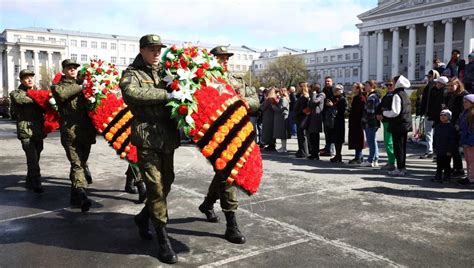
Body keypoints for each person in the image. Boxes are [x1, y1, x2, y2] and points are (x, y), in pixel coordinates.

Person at [120, 34, 180, 264]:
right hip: (146, 138)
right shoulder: (131, 73)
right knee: (155, 188)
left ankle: (143, 216)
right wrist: (166, 94)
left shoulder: (165, 71)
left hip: (167, 138)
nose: (157, 53)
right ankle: (163, 240)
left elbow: (178, 87)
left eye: (159, 49)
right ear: (142, 50)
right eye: (152, 49)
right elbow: (132, 94)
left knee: (168, 181)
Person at [197, 45, 258, 246]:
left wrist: (243, 101)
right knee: (227, 176)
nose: (225, 61)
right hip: (216, 136)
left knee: (224, 174)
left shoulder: (236, 79)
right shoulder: (204, 80)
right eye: (220, 58)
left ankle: (207, 204)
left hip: (239, 132)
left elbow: (255, 100)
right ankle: (231, 224)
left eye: (226, 58)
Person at [51, 59, 96, 212]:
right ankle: (83, 194)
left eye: (75, 68)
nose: (72, 70)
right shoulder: (57, 87)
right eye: (69, 68)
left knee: (81, 164)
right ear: (63, 70)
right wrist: (81, 87)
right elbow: (63, 95)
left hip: (86, 132)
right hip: (70, 132)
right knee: (77, 164)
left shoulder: (84, 85)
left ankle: (75, 197)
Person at [9, 69, 46, 193]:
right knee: (32, 156)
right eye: (26, 78)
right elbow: (21, 100)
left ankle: (30, 179)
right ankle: (36, 180)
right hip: (25, 129)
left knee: (37, 154)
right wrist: (39, 97)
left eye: (31, 77)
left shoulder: (38, 92)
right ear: (21, 80)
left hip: (38, 129)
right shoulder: (15, 93)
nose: (30, 80)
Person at [383, 75, 412, 176]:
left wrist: (385, 113)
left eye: (394, 82)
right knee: (402, 147)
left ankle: (399, 168)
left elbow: (395, 112)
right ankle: (402, 167)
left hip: (398, 125)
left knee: (398, 147)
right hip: (404, 124)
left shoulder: (396, 95)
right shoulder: (405, 94)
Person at [445, 78, 468, 178]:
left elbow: (463, 112)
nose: (450, 88)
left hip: (460, 125)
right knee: (453, 148)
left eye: (452, 86)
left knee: (457, 148)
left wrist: (459, 124)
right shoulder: (452, 95)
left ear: (458, 85)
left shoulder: (464, 95)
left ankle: (459, 169)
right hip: (452, 123)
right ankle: (456, 168)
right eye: (449, 86)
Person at [418, 70, 442, 159]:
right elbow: (424, 101)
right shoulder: (428, 87)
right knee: (428, 133)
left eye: (430, 76)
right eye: (428, 76)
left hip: (436, 114)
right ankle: (429, 151)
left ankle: (436, 151)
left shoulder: (438, 88)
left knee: (437, 133)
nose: (428, 78)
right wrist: (422, 112)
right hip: (428, 113)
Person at [376, 80, 396, 171]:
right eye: (387, 85)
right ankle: (390, 161)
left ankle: (392, 162)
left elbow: (392, 109)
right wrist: (379, 113)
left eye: (390, 85)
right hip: (385, 121)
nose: (388, 86)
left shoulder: (395, 95)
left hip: (391, 121)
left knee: (389, 142)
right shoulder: (386, 95)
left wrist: (382, 112)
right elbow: (380, 106)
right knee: (387, 142)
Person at [432, 109, 457, 183]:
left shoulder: (451, 128)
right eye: (441, 115)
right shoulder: (438, 127)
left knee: (446, 164)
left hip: (447, 150)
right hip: (439, 149)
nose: (442, 116)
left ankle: (447, 176)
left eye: (445, 115)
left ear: (449, 117)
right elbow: (435, 137)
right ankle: (438, 175)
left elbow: (452, 140)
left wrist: (450, 150)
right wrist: (434, 147)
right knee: (439, 163)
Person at [360, 80, 380, 167]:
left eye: (367, 85)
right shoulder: (375, 96)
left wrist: (365, 121)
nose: (365, 87)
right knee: (373, 141)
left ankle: (370, 160)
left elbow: (370, 112)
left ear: (372, 86)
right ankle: (375, 158)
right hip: (374, 122)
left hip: (370, 123)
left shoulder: (371, 97)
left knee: (371, 142)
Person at [327, 84, 347, 163]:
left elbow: (341, 111)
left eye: (337, 90)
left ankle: (338, 155)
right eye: (334, 90)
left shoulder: (342, 99)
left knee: (338, 138)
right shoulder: (335, 98)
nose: (335, 91)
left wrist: (332, 106)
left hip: (339, 121)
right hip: (334, 121)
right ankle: (337, 155)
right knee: (335, 138)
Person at [457, 94, 474, 185]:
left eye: (466, 102)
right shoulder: (465, 112)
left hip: (471, 142)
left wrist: (470, 142)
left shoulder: (472, 114)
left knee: (472, 161)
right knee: (468, 160)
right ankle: (469, 177)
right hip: (465, 140)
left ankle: (472, 178)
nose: (464, 104)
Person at [307, 83, 325, 160]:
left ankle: (315, 154)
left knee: (315, 136)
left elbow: (314, 102)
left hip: (316, 117)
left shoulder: (321, 95)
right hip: (312, 116)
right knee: (312, 136)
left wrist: (313, 94)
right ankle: (313, 153)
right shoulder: (314, 95)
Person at [294, 82, 310, 158]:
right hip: (299, 116)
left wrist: (299, 111)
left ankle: (304, 152)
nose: (297, 88)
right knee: (300, 135)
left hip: (303, 117)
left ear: (302, 87)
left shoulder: (305, 97)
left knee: (302, 135)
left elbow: (305, 108)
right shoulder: (300, 96)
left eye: (298, 87)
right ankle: (300, 150)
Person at [320, 76, 335, 156]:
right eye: (326, 81)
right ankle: (327, 148)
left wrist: (332, 104)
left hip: (331, 115)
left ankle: (331, 150)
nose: (327, 82)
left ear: (332, 82)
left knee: (331, 133)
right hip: (325, 114)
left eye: (329, 81)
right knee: (327, 132)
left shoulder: (333, 91)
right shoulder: (324, 90)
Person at [273, 88, 290, 153]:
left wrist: (273, 106)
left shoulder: (283, 99)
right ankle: (283, 147)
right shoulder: (284, 98)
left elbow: (280, 109)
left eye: (280, 91)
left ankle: (284, 148)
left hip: (282, 118)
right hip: (282, 117)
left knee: (283, 133)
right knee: (282, 134)